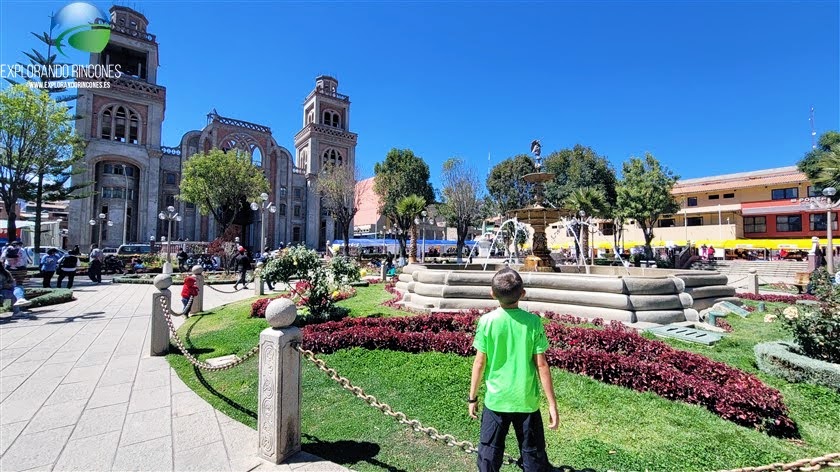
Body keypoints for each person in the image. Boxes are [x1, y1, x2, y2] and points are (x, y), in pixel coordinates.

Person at [468, 267, 558, 472]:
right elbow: (541, 365)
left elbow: (479, 363)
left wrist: (472, 397)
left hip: (496, 400)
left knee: (489, 454)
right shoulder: (533, 322)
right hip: (526, 401)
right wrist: (552, 404)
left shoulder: (487, 321)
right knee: (533, 454)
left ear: (492, 294)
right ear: (523, 294)